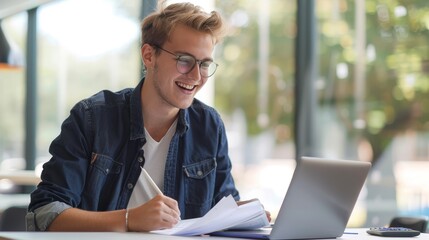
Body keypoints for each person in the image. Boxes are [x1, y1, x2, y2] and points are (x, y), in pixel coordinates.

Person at [26, 2, 270, 232]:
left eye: (204, 64)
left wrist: (244, 215)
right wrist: (129, 219)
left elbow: (221, 210)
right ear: (149, 56)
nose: (196, 76)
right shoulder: (91, 118)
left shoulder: (209, 126)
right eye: (184, 61)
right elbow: (45, 214)